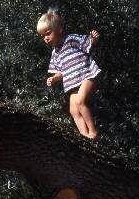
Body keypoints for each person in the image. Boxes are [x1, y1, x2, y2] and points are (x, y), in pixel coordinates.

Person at [37, 8, 101, 140]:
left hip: (87, 75)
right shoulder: (55, 53)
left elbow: (88, 43)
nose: (46, 38)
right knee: (73, 110)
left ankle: (93, 132)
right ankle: (84, 136)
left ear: (59, 29)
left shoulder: (70, 39)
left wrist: (93, 39)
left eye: (48, 33)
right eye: (43, 36)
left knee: (81, 101)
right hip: (72, 83)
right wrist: (54, 78)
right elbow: (60, 72)